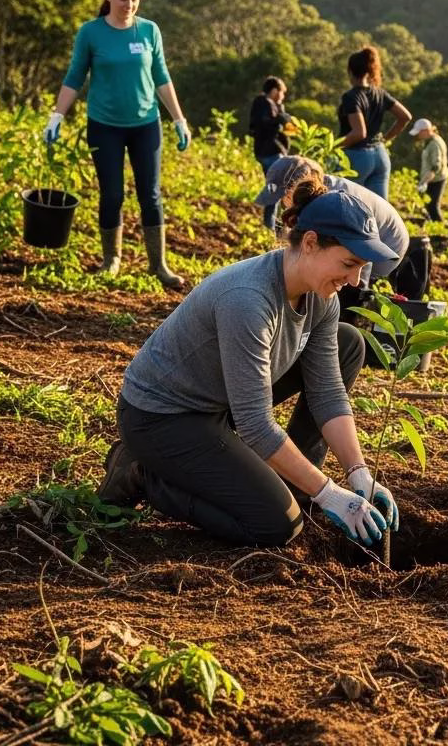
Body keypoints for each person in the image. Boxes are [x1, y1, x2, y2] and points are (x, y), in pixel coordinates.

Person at [96, 180, 401, 548]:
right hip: (163, 419)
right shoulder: (248, 300)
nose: (354, 280)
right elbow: (255, 424)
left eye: (361, 266)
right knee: (276, 524)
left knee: (346, 343)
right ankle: (144, 474)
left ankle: (293, 483)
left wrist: (358, 474)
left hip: (221, 405)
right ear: (309, 243)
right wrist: (329, 493)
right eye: (349, 263)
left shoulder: (321, 298)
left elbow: (328, 391)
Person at [43, 0, 189, 289]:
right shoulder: (91, 33)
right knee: (112, 195)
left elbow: (162, 78)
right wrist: (57, 116)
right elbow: (75, 77)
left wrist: (179, 119)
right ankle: (111, 262)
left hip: (145, 126)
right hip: (105, 127)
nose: (129, 5)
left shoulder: (149, 31)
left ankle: (158, 266)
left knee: (150, 196)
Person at [255, 155, 410, 293]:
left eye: (285, 195)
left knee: (348, 287)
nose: (284, 202)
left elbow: (362, 247)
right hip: (369, 239)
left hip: (389, 240)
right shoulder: (316, 197)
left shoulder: (337, 201)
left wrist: (356, 291)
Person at [337, 46, 411, 201]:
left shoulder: (351, 97)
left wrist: (333, 146)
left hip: (357, 156)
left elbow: (359, 133)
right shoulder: (379, 93)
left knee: (345, 204)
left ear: (350, 71)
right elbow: (405, 117)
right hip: (380, 155)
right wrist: (385, 139)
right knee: (379, 210)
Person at [249, 76, 292, 229]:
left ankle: (272, 225)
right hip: (270, 151)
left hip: (270, 151)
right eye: (282, 92)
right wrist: (280, 118)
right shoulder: (264, 103)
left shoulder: (271, 105)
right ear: (274, 90)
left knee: (276, 187)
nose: (283, 96)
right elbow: (264, 124)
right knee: (276, 187)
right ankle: (270, 225)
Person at [409, 118, 448, 222]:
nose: (418, 135)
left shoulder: (435, 143)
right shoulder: (429, 142)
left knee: (433, 207)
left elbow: (436, 166)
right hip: (430, 179)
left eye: (419, 133)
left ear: (426, 130)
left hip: (436, 180)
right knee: (426, 206)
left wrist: (425, 182)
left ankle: (441, 231)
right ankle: (432, 227)